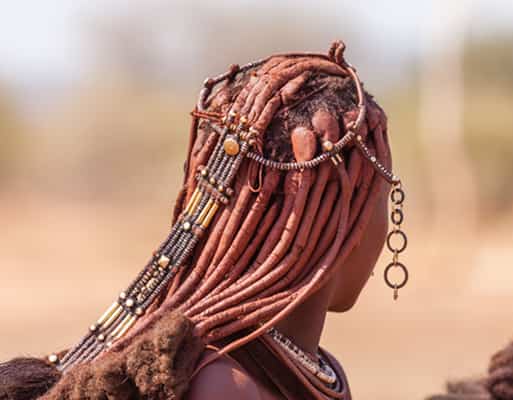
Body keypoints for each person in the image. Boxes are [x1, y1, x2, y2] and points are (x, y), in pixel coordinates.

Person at [0, 41, 408, 400]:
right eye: (380, 201)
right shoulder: (224, 385)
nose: (384, 228)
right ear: (334, 215)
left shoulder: (318, 371)